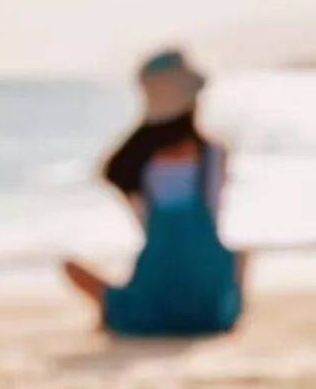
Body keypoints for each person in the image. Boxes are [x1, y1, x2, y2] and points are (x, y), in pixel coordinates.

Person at [63, 49, 244, 337]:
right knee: (241, 255)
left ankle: (109, 314)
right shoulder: (214, 154)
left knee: (71, 266)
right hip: (209, 307)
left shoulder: (135, 165)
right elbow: (213, 213)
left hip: (154, 299)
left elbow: (146, 224)